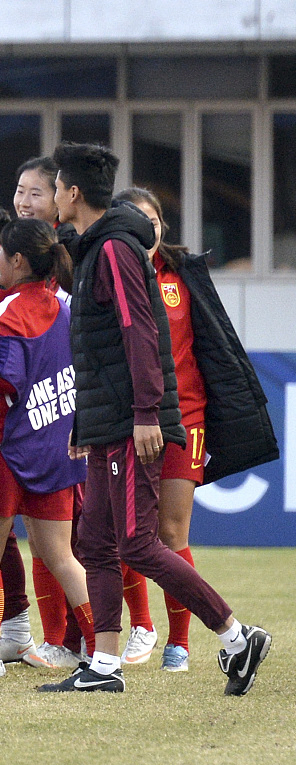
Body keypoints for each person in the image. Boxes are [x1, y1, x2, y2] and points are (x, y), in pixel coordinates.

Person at [39, 142, 270, 695]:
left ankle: (237, 637)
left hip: (130, 422)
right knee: (95, 544)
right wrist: (84, 427)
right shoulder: (100, 245)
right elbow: (100, 352)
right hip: (109, 421)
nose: (47, 199)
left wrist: (147, 414)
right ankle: (105, 666)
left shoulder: (116, 249)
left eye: (51, 189)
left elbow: (140, 331)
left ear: (71, 193)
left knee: (138, 543)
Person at [114, 187, 280, 672]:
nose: (148, 228)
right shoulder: (109, 274)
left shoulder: (183, 273)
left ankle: (179, 644)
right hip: (127, 421)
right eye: (136, 219)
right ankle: (141, 627)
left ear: (163, 226)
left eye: (155, 219)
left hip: (186, 417)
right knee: (125, 528)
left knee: (169, 531)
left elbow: (215, 344)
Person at [0, 218, 93, 676]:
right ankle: (102, 653)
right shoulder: (64, 306)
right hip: (56, 446)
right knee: (62, 556)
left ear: (16, 260)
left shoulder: (7, 311)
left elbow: (7, 379)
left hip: (7, 447)